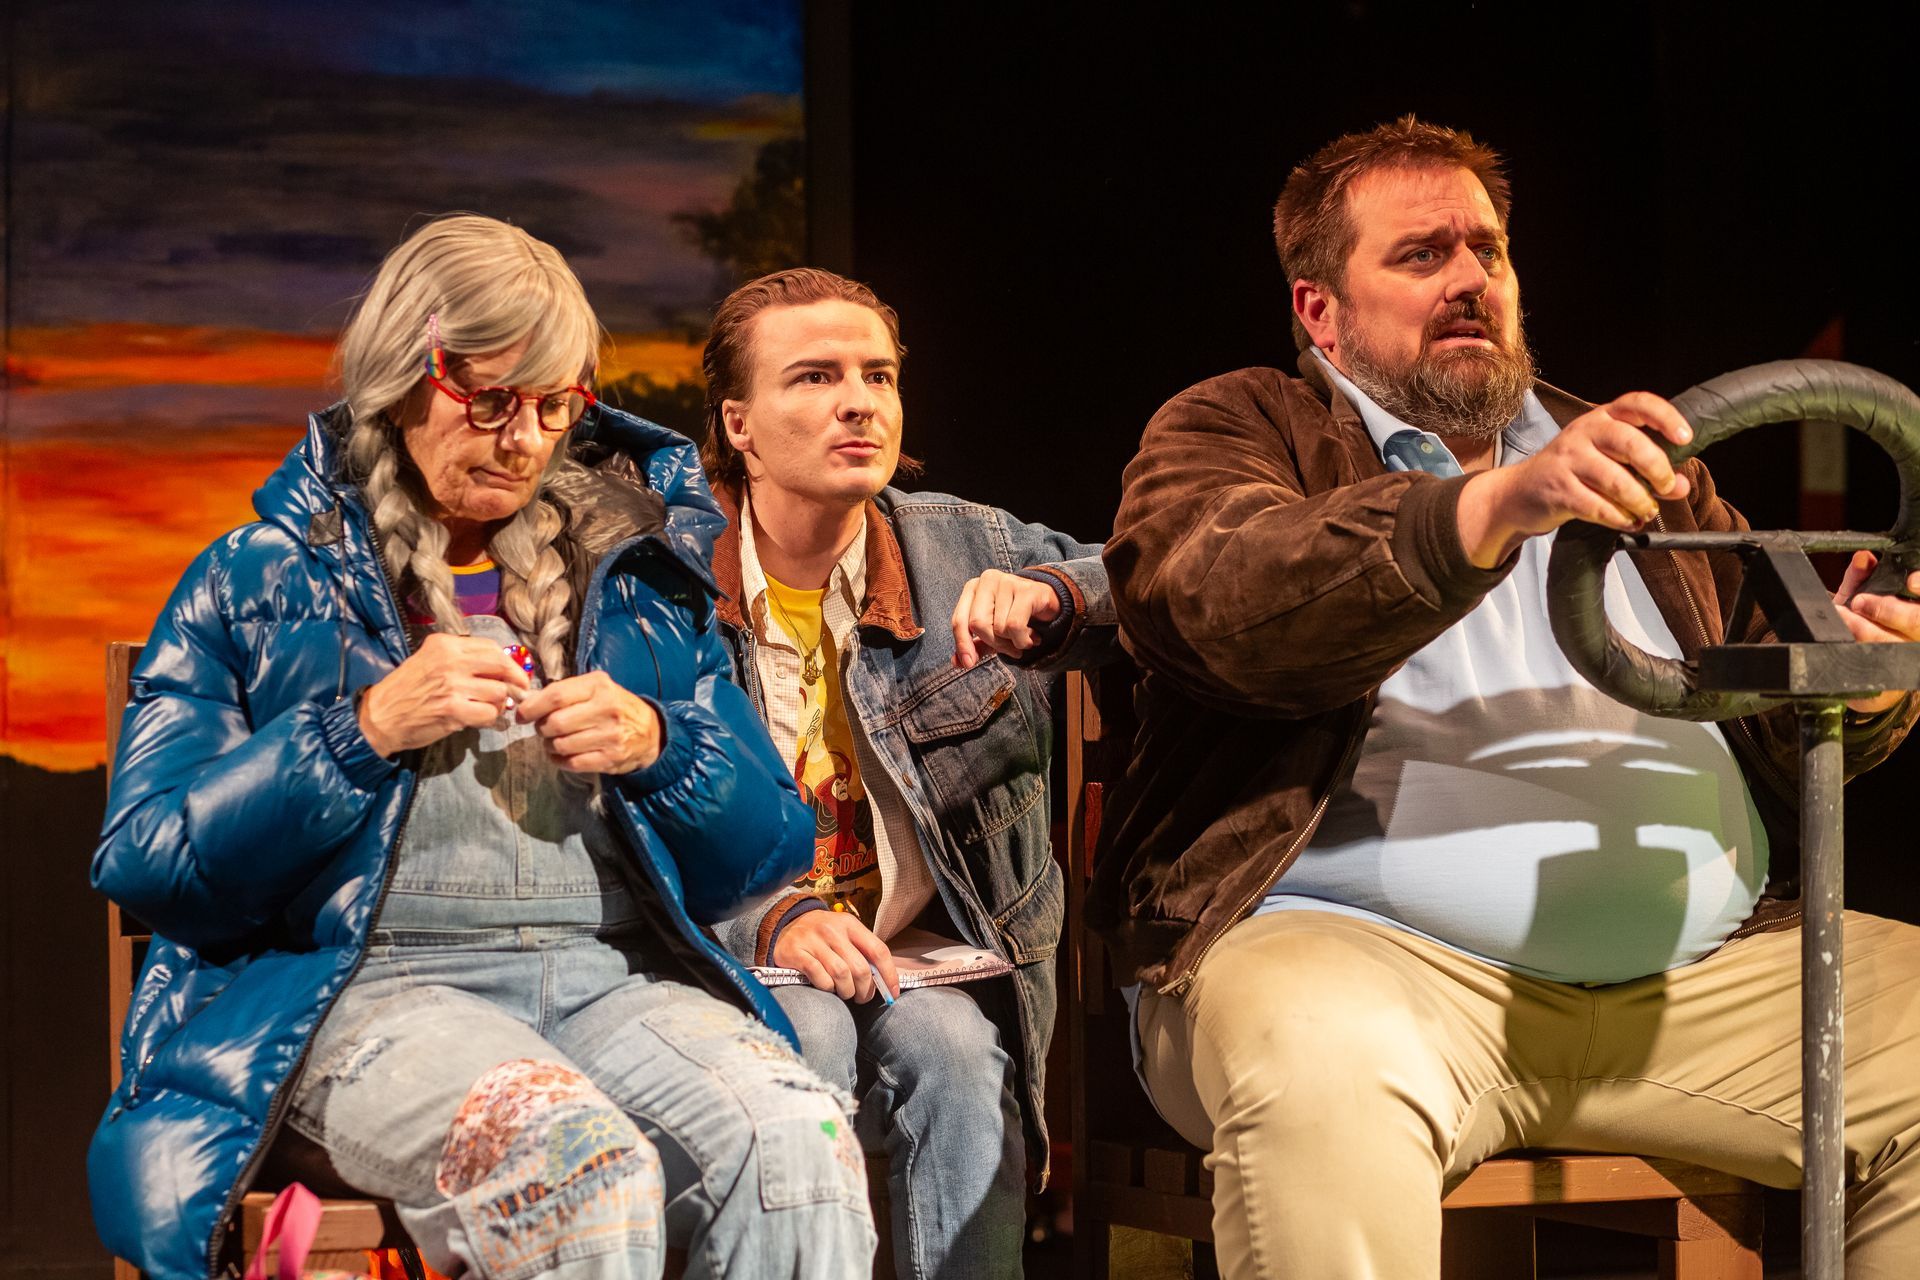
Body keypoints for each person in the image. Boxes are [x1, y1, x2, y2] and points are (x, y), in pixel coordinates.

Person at [1091, 117, 1920, 1279]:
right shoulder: (1240, 426)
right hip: (1360, 961)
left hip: (1692, 982)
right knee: (1321, 1063)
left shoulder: (1641, 461)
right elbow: (1217, 596)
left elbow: (1771, 724)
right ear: (1319, 310)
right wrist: (1488, 511)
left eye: (1488, 249)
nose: (1472, 279)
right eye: (1423, 255)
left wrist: (1858, 689)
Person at [87, 216, 873, 1280]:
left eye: (555, 406)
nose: (524, 440)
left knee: (801, 1148)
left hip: (602, 979)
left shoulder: (631, 573)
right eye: (492, 400)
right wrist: (358, 733)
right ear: (399, 376)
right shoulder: (259, 578)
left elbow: (767, 845)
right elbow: (148, 859)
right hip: (365, 993)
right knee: (577, 1168)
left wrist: (660, 746)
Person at [699, 267, 1117, 1277]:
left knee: (958, 1052)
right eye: (813, 376)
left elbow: (1150, 578)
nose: (858, 400)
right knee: (804, 1031)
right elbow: (633, 817)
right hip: (735, 948)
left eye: (877, 375)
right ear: (739, 423)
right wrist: (770, 918)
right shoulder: (665, 576)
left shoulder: (961, 540)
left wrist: (1055, 595)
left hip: (909, 950)